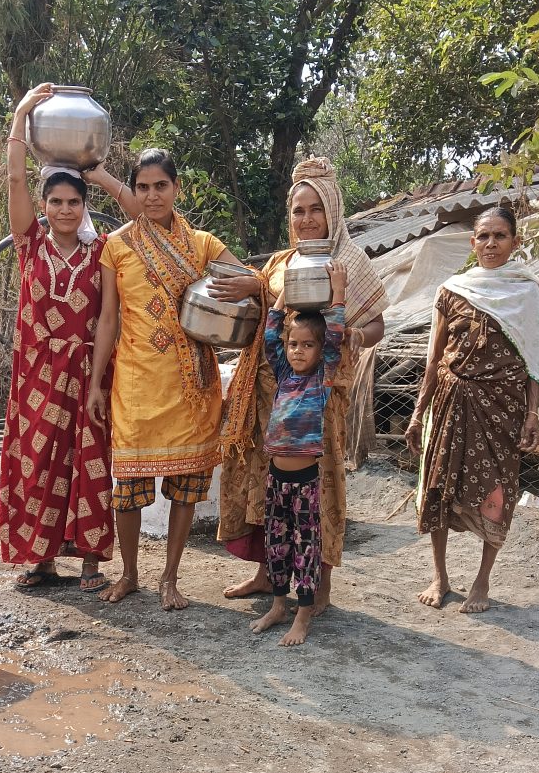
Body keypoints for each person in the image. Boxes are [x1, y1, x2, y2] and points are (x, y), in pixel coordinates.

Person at [87, 148, 255, 610]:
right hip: (136, 384)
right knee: (127, 491)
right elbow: (108, 319)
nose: (152, 195)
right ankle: (129, 573)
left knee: (186, 486)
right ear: (134, 191)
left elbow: (250, 280)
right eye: (142, 187)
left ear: (176, 188)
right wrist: (96, 383)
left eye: (161, 185)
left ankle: (170, 577)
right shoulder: (116, 245)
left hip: (191, 386)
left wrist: (252, 284)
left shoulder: (203, 245)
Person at [218, 156, 388, 613]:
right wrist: (254, 288)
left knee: (321, 485)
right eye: (298, 211)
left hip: (321, 395)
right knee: (265, 479)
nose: (307, 219)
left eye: (316, 209)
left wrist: (353, 335)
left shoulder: (348, 262)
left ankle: (322, 587)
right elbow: (269, 308)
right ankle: (265, 574)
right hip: (269, 392)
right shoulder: (281, 262)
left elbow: (376, 324)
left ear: (332, 211)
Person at [0, 82, 138, 591]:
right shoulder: (29, 243)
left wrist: (96, 174)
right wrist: (21, 114)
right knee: (37, 462)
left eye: (73, 201)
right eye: (55, 201)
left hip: (87, 372)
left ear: (84, 205)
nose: (64, 210)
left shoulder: (102, 251)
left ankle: (90, 561)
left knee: (90, 461)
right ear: (43, 204)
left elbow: (143, 217)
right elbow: (16, 176)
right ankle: (41, 558)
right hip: (37, 374)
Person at [406, 206, 539, 614]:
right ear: (473, 243)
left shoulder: (526, 291)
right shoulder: (452, 290)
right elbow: (434, 358)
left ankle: (482, 580)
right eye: (484, 236)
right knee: (438, 486)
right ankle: (440, 576)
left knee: (498, 489)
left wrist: (532, 415)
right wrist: (418, 413)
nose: (491, 244)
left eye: (500, 236)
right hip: (450, 403)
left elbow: (534, 360)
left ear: (515, 242)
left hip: (502, 409)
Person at [250, 263, 346, 646]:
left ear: (320, 352)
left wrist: (338, 290)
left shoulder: (320, 380)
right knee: (276, 545)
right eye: (294, 344)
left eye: (307, 345)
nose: (298, 351)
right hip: (276, 479)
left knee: (306, 547)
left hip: (305, 482)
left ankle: (302, 616)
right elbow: (270, 336)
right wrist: (283, 299)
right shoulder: (284, 375)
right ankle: (278, 605)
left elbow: (336, 336)